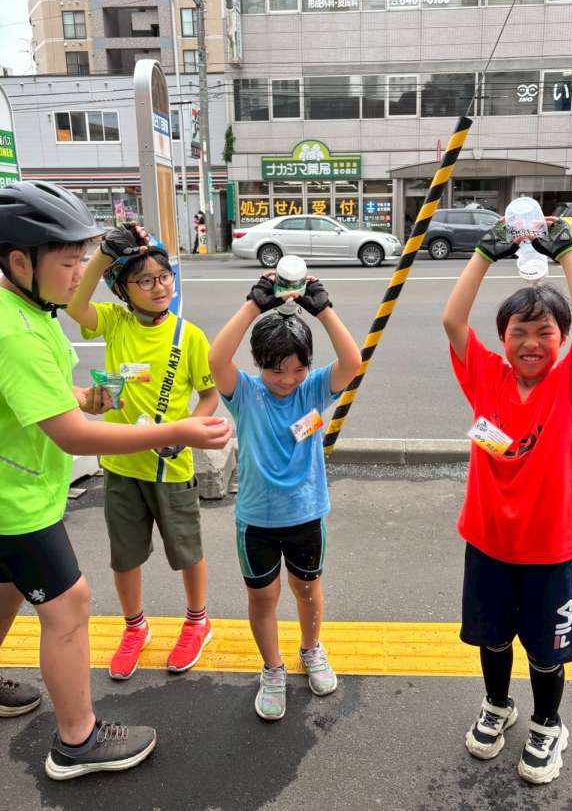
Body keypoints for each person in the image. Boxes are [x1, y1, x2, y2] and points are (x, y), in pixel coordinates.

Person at [0, 181, 232, 780]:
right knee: (82, 594)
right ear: (20, 261)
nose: (79, 272)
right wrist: (172, 430)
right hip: (33, 495)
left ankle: (196, 619)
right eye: (69, 261)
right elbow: (74, 434)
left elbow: (48, 397)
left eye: (84, 260)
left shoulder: (30, 310)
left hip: (67, 483)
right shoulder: (35, 328)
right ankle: (81, 734)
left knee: (8, 588)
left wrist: (82, 398)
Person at [441, 216, 572, 785]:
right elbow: (452, 320)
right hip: (487, 543)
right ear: (503, 337)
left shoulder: (569, 384)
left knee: (546, 649)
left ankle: (547, 724)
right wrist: (485, 255)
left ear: (561, 341)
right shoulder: (485, 376)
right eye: (518, 332)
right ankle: (497, 705)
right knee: (491, 639)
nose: (531, 344)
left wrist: (568, 254)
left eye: (545, 333)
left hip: (549, 550)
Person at [67, 223, 221, 681]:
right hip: (120, 464)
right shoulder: (115, 323)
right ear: (123, 289)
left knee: (187, 550)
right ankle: (135, 627)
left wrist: (187, 432)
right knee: (125, 555)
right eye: (145, 280)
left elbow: (209, 395)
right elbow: (74, 304)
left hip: (170, 466)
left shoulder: (188, 336)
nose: (159, 287)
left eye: (164, 276)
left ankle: (198, 622)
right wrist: (102, 255)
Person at [208, 274, 361, 720]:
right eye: (276, 369)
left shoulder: (313, 389)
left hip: (306, 515)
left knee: (308, 589)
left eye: (297, 368)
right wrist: (253, 305)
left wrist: (323, 309)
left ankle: (311, 649)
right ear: (258, 363)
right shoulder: (245, 393)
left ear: (308, 366)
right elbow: (216, 358)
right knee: (263, 598)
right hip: (256, 520)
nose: (287, 379)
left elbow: (352, 361)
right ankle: (272, 668)